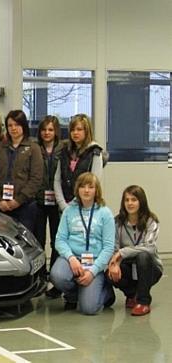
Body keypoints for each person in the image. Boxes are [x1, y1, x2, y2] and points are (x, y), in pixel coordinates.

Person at [50, 172, 115, 315]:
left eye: (90, 187)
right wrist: (71, 258)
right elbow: (60, 240)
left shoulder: (105, 213)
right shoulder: (69, 211)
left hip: (94, 261)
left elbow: (109, 247)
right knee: (57, 275)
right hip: (72, 258)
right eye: (83, 186)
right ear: (77, 189)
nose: (86, 190)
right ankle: (73, 296)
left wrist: (93, 272)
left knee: (89, 309)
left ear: (96, 190)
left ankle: (106, 291)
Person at [107, 185, 162, 316]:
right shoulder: (117, 222)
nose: (130, 203)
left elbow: (149, 247)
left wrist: (122, 252)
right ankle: (132, 295)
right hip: (127, 265)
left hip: (149, 267)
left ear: (141, 202)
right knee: (109, 274)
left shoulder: (151, 221)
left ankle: (143, 302)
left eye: (134, 200)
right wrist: (115, 263)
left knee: (143, 256)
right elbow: (114, 248)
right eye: (127, 200)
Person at [0, 110, 43, 232]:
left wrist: (18, 200)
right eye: (10, 125)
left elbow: (36, 178)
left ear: (23, 126)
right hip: (1, 205)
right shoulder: (0, 148)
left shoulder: (33, 148)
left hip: (25, 207)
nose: (13, 128)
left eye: (17, 125)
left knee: (23, 244)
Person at [34, 116, 64, 298]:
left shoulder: (63, 148)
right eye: (44, 129)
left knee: (57, 241)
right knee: (38, 240)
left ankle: (55, 280)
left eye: (51, 130)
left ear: (56, 132)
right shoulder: (35, 148)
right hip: (38, 200)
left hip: (58, 201)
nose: (47, 133)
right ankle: (39, 279)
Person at [54, 114, 104, 212]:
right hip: (64, 206)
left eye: (79, 129)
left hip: (84, 206)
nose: (75, 133)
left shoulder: (95, 152)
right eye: (72, 130)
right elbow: (57, 180)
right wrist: (62, 204)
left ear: (87, 131)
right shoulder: (64, 151)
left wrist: (73, 204)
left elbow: (94, 182)